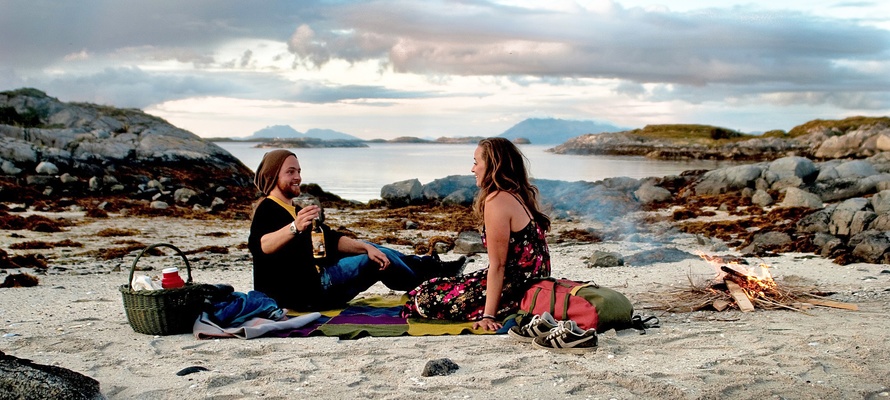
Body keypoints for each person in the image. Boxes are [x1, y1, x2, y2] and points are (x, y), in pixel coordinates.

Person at [248, 149, 465, 311]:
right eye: (290, 172)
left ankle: (431, 269)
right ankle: (431, 286)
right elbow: (262, 246)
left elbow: (330, 240)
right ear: (273, 176)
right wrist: (294, 227)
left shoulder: (294, 209)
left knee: (374, 250)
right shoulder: (268, 209)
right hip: (304, 293)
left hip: (318, 285)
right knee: (376, 259)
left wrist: (364, 246)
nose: (298, 177)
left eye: (299, 171)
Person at [401, 138, 551, 331]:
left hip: (514, 290)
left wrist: (488, 315)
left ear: (493, 165)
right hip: (528, 284)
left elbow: (499, 265)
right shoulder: (517, 196)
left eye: (476, 162)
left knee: (425, 296)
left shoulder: (497, 200)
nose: (472, 169)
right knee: (437, 284)